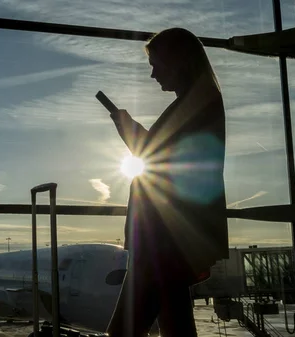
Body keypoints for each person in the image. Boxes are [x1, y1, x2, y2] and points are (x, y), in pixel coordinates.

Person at [105, 27, 229, 337]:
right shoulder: (198, 102)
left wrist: (130, 131)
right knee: (170, 323)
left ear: (178, 61)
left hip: (164, 240)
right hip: (169, 240)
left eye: (156, 65)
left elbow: (164, 161)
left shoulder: (195, 104)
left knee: (128, 328)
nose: (153, 75)